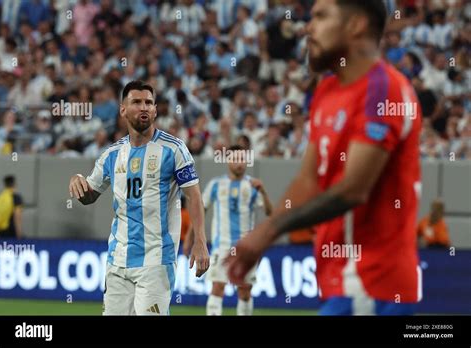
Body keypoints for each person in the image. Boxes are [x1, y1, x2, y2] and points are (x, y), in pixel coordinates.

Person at [226, 0, 422, 315]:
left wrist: (269, 231)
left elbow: (354, 188)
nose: (308, 27)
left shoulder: (383, 89)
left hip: (373, 283)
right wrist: (263, 233)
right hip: (340, 281)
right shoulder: (327, 89)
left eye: (320, 16)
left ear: (356, 25)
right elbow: (308, 180)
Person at [68, 80, 209, 315]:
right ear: (123, 109)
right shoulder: (111, 155)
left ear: (155, 110)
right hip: (118, 260)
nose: (144, 107)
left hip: (156, 260)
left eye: (149, 103)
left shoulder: (174, 149)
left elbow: (194, 196)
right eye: (137, 102)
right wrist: (77, 180)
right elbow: (89, 196)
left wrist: (201, 242)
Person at [185, 145, 273, 315]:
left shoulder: (253, 186)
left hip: (246, 248)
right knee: (218, 287)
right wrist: (191, 237)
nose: (239, 163)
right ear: (228, 161)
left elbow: (269, 212)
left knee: (245, 290)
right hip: (222, 246)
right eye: (235, 159)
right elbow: (200, 210)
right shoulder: (216, 184)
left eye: (242, 159)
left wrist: (263, 191)